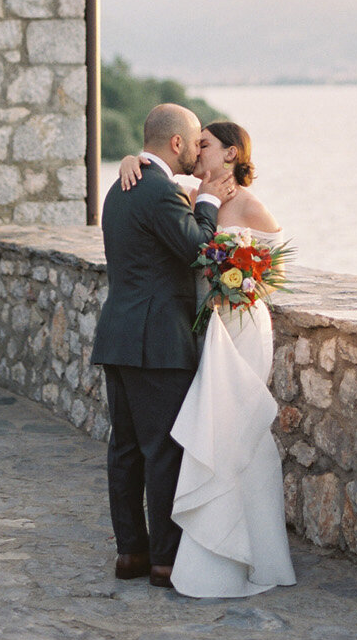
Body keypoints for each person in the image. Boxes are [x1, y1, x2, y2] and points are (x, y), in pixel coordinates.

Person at [118, 120, 296, 598]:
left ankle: (246, 548)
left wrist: (239, 283)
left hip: (237, 328)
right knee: (203, 434)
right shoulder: (190, 193)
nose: (197, 153)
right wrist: (129, 159)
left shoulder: (250, 206)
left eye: (206, 145)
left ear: (232, 154)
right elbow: (152, 176)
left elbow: (273, 270)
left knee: (236, 434)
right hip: (199, 332)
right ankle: (202, 544)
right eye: (195, 144)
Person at [91, 103, 237, 588]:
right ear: (176, 144)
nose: (198, 150)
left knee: (125, 450)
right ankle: (164, 561)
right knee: (162, 452)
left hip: (118, 334)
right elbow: (200, 249)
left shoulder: (120, 188)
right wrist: (209, 205)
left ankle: (129, 553)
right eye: (195, 142)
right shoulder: (158, 192)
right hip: (158, 341)